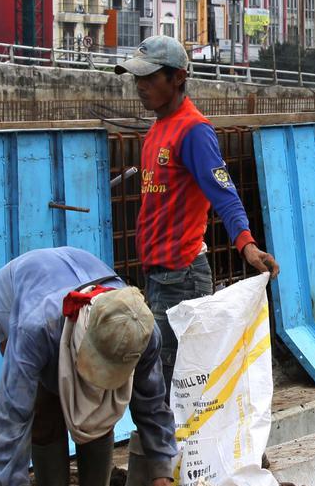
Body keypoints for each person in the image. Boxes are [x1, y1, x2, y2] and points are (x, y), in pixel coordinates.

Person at [0, 247, 178, 486]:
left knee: (101, 404)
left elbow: (152, 403)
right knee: (44, 405)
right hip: (22, 289)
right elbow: (12, 414)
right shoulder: (35, 329)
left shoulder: (142, 331)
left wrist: (161, 470)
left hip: (80, 277)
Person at [114, 34, 280, 388]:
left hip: (182, 279)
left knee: (175, 384)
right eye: (136, 78)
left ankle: (179, 444)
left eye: (149, 78)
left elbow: (224, 193)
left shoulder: (193, 132)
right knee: (167, 381)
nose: (139, 86)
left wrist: (246, 244)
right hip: (159, 277)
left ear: (178, 77)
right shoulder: (157, 130)